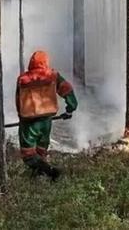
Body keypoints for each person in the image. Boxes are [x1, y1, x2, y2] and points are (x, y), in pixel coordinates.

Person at [16, 50, 78, 181]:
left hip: (29, 123)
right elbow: (67, 90)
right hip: (46, 121)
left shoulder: (22, 79)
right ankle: (39, 177)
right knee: (41, 150)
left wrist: (21, 117)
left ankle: (50, 172)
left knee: (28, 154)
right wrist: (70, 109)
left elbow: (18, 101)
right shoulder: (53, 75)